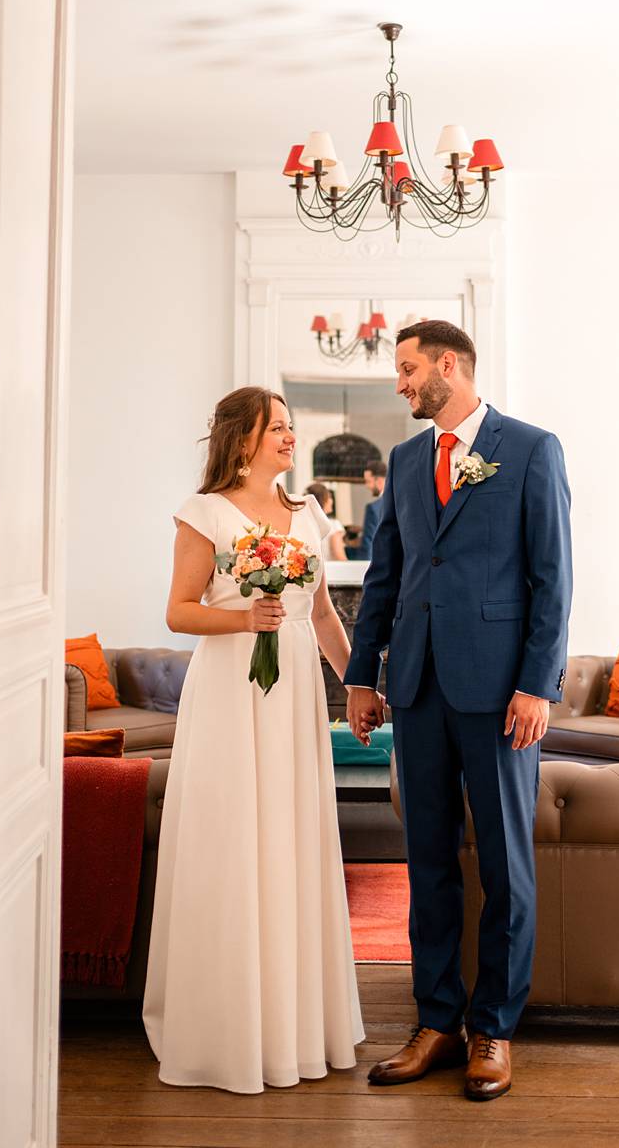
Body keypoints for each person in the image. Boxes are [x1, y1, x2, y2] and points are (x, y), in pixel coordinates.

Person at [344, 321, 571, 1104]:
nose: (400, 383)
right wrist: (361, 675)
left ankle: (493, 1029)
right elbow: (386, 576)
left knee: (506, 863)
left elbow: (552, 578)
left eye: (407, 368)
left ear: (449, 365)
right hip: (415, 689)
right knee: (429, 863)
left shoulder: (533, 448)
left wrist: (538, 684)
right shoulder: (407, 460)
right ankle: (436, 1021)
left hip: (502, 693)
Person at [143, 387, 365, 1093]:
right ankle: (228, 1026)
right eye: (279, 427)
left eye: (292, 426)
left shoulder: (309, 512)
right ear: (244, 440)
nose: (291, 436)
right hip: (231, 690)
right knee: (234, 837)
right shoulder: (203, 512)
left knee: (291, 838)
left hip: (294, 689)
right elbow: (178, 610)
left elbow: (324, 613)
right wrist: (245, 621)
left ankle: (296, 1021)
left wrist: (357, 683)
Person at [304, 480, 347, 561]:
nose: (331, 501)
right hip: (330, 569)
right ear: (323, 500)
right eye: (329, 497)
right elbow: (338, 554)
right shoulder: (334, 525)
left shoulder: (305, 524)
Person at [360, 460, 388, 558]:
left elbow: (369, 544)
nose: (367, 486)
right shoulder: (402, 502)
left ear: (379, 481)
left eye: (368, 482)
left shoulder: (373, 509)